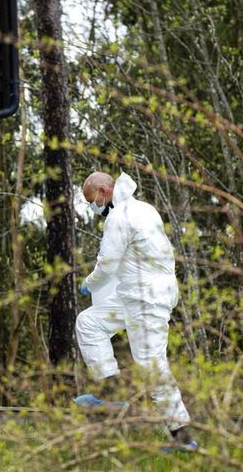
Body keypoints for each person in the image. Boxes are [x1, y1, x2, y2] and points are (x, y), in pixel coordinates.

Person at [75, 171, 197, 451]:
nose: (92, 207)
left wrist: (88, 283)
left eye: (91, 200)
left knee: (152, 366)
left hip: (147, 299)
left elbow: (106, 265)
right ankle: (112, 393)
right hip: (134, 293)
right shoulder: (144, 209)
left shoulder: (119, 218)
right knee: (89, 322)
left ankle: (182, 438)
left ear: (104, 191)